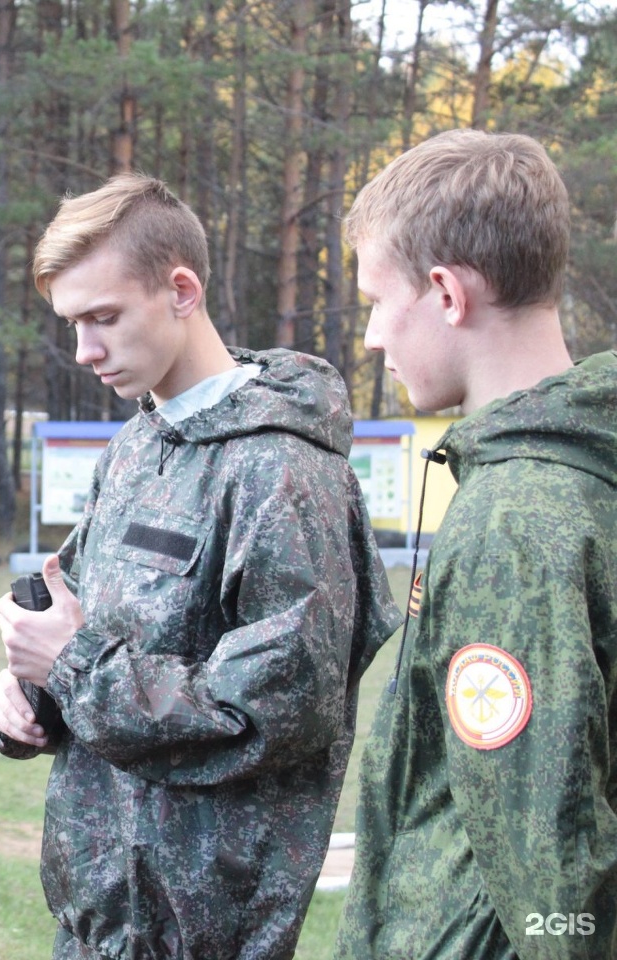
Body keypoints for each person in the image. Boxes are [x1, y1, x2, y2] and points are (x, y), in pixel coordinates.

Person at [0, 173, 398, 959]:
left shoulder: (282, 472)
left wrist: (71, 667)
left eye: (103, 317)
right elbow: (80, 628)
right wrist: (27, 701)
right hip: (99, 922)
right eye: (72, 324)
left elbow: (271, 716)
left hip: (204, 936)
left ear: (181, 289)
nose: (84, 351)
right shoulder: (137, 446)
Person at [335, 130, 617, 957]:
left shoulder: (516, 517)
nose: (374, 338)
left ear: (446, 294)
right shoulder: (574, 468)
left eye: (377, 304)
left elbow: (551, 864)